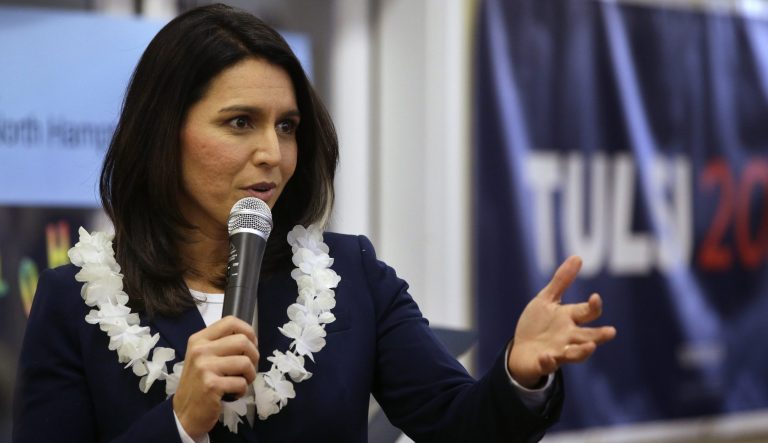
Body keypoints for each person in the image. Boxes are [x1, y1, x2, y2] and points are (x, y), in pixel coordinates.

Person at [13, 4, 616, 442]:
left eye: (287, 126)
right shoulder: (73, 300)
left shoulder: (352, 275)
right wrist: (179, 421)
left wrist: (518, 373)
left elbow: (463, 428)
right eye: (240, 122)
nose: (273, 154)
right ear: (164, 136)